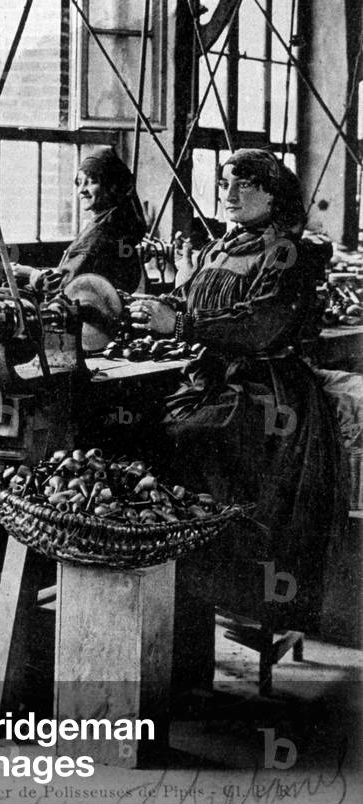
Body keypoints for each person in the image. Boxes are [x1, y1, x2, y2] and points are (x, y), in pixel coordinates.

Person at [129, 149, 348, 649]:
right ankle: (181, 603)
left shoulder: (291, 252)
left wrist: (181, 324)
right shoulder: (222, 246)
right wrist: (167, 296)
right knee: (145, 439)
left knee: (191, 443)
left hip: (264, 390)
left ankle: (225, 595)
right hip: (213, 376)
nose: (229, 194)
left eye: (244, 185)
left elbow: (261, 324)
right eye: (225, 183)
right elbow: (197, 303)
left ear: (274, 194)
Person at [12, 146, 148, 295]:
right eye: (79, 182)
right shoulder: (120, 222)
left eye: (92, 182)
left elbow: (64, 286)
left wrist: (31, 274)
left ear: (111, 186)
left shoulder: (101, 232)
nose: (81, 190)